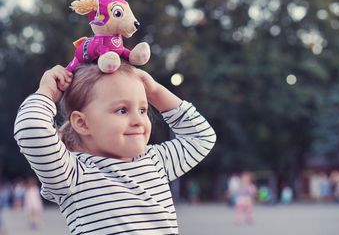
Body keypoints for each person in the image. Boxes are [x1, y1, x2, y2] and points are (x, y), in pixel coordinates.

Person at [14, 63, 216, 234]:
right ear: (82, 123)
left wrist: (154, 90)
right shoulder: (72, 174)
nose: (138, 120)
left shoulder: (154, 161)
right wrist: (46, 92)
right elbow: (32, 127)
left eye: (143, 109)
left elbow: (201, 137)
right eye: (122, 110)